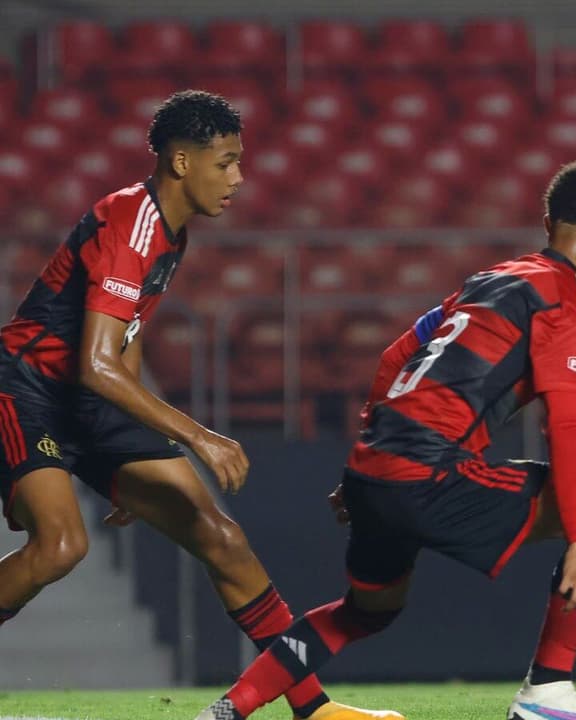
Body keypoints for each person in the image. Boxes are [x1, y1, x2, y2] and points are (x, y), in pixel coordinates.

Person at [194, 158, 576, 720]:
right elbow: (568, 426)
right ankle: (547, 695)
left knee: (366, 611)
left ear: (547, 220)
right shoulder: (569, 306)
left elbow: (395, 355)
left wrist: (371, 453)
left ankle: (227, 711)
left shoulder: (487, 282)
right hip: (432, 474)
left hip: (372, 466)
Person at [0, 90, 394, 720]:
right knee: (62, 546)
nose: (239, 177)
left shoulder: (171, 232)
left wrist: (132, 462)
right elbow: (95, 363)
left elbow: (124, 346)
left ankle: (311, 708)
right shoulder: (130, 221)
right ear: (182, 163)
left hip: (90, 400)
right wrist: (198, 437)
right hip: (28, 389)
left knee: (221, 536)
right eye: (227, 161)